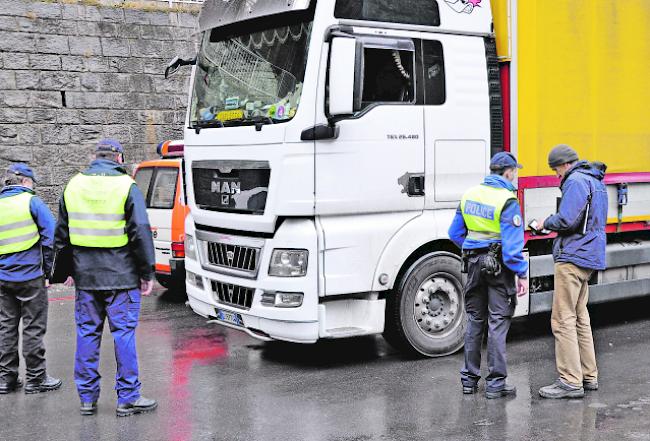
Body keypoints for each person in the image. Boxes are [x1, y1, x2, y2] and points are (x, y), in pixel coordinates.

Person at [54, 139, 157, 416]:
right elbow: (140, 231)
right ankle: (128, 398)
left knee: (87, 333)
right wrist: (147, 273)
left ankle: (87, 399)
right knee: (123, 335)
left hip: (86, 278)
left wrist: (63, 272)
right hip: (122, 278)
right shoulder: (126, 186)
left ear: (93, 157)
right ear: (119, 158)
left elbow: (61, 234)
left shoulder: (73, 185)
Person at [448, 151, 529, 399]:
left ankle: (469, 381)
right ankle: (495, 385)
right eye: (515, 172)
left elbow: (455, 233)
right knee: (497, 323)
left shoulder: (469, 195)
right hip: (498, 267)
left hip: (472, 265)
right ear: (508, 172)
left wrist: (474, 250)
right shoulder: (507, 200)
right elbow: (513, 248)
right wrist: (522, 274)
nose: (515, 176)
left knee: (474, 320)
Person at [536, 144, 608, 399]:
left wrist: (546, 223)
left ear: (564, 164)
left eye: (556, 170)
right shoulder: (595, 181)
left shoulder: (576, 181)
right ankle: (589, 376)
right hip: (588, 256)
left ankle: (569, 381)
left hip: (573, 257)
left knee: (562, 319)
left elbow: (567, 219)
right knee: (580, 317)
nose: (557, 176)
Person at [0, 163, 62, 394]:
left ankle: (6, 379)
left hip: (3, 278)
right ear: (25, 181)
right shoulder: (31, 202)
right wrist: (49, 272)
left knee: (6, 327)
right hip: (30, 277)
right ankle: (36, 378)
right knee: (33, 327)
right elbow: (50, 238)